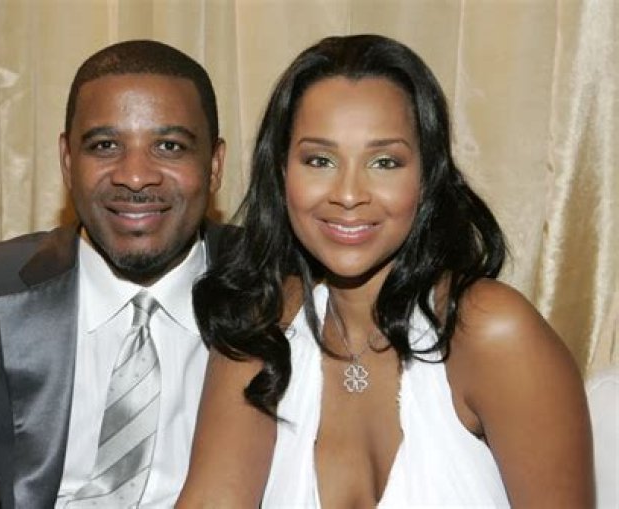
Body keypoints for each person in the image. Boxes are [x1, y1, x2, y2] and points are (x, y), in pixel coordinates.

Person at [177, 34, 594, 507]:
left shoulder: (492, 332)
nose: (348, 194)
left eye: (384, 162)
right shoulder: (261, 330)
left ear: (427, 175)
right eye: (320, 160)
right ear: (281, 171)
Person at [0, 39, 227, 507]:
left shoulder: (281, 289)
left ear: (214, 165)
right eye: (105, 145)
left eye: (169, 146)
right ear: (68, 161)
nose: (135, 176)